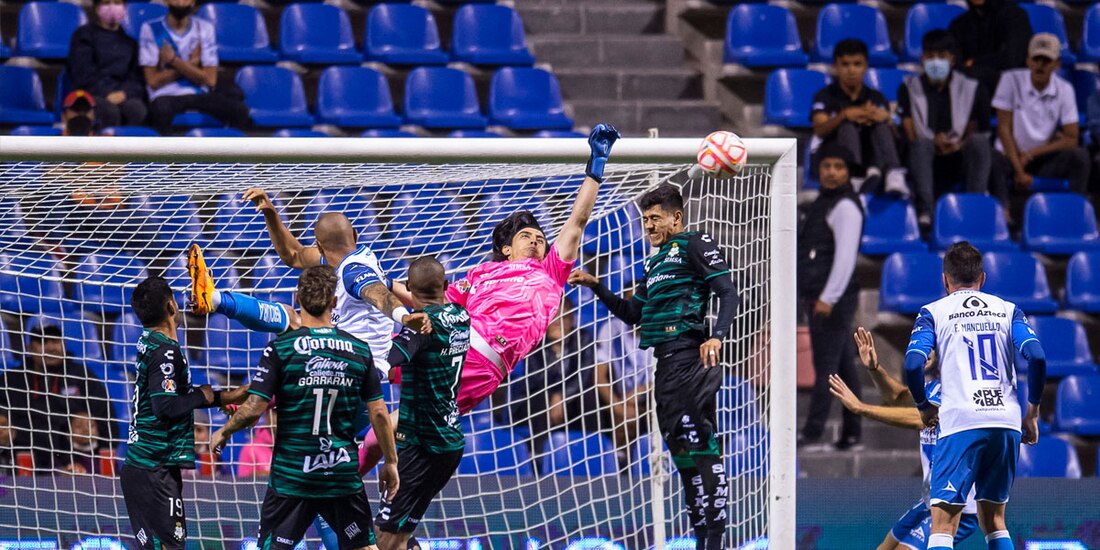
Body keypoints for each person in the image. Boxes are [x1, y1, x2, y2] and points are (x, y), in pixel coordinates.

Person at [353, 123, 620, 475]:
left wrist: (596, 166)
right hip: (447, 341)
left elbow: (578, 220)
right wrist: (383, 281)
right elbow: (430, 299)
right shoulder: (481, 275)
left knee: (383, 433)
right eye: (527, 236)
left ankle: (347, 480)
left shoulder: (551, 271)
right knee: (357, 366)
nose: (536, 241)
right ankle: (336, 465)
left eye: (540, 237)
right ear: (506, 249)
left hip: (483, 367)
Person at [568, 183, 740, 550]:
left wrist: (717, 335)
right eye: (645, 219)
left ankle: (716, 542)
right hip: (664, 366)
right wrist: (597, 286)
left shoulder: (695, 243)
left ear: (676, 218)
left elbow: (727, 291)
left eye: (655, 218)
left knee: (702, 447)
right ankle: (700, 540)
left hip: (692, 358)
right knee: (682, 456)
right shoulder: (655, 262)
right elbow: (633, 314)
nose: (648, 226)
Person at [210, 265, 399, 550]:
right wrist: (391, 462)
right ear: (334, 302)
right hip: (340, 476)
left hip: (292, 478)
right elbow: (380, 414)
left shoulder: (281, 349)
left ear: (297, 298)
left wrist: (224, 432)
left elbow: (252, 408)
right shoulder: (360, 350)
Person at [903, 242, 1047, 550]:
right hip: (1005, 420)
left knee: (943, 525)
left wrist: (923, 406)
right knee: (994, 521)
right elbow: (1037, 357)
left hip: (960, 422)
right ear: (982, 279)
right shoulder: (1009, 311)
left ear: (945, 280)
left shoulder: (934, 312)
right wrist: (1031, 412)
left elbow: (913, 363)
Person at [120, 276, 249, 549]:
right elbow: (165, 407)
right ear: (171, 306)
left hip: (144, 467)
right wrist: (202, 395)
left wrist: (223, 396)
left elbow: (174, 397)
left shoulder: (150, 342)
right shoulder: (165, 352)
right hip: (154, 469)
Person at [829, 328, 980, 550]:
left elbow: (922, 419)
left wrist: (861, 408)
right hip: (931, 499)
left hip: (957, 505)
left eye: (930, 346)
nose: (923, 351)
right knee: (885, 548)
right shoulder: (932, 386)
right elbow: (897, 397)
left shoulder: (958, 388)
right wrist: (874, 367)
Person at [374, 257, 470, 550]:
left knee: (384, 537)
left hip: (421, 445)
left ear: (410, 288)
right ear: (445, 286)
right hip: (450, 441)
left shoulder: (421, 328)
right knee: (402, 535)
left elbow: (390, 361)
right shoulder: (462, 315)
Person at [796, 144, 865, 452]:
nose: (832, 172)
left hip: (831, 302)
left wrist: (829, 297)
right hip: (821, 298)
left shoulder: (846, 206)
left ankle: (812, 433)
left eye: (839, 166)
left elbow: (845, 258)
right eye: (827, 166)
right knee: (843, 366)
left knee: (825, 367)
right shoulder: (823, 202)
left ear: (848, 171)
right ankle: (852, 433)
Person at [898, 30, 993, 228]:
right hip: (925, 157)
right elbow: (910, 132)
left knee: (979, 143)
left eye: (941, 56)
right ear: (922, 58)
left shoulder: (972, 88)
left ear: (952, 59)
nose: (935, 62)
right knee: (921, 145)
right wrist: (933, 142)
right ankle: (927, 211)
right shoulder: (908, 88)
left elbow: (975, 129)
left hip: (959, 157)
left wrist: (958, 145)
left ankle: (974, 208)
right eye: (930, 56)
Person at [992, 33, 1090, 210]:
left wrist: (1031, 154)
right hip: (1010, 156)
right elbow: (1004, 129)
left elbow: (1071, 138)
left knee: (1080, 156)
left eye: (1046, 60)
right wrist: (1020, 171)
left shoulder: (1065, 89)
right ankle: (1002, 211)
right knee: (991, 157)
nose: (1040, 65)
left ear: (1057, 64)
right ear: (1028, 60)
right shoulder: (1009, 79)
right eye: (1036, 59)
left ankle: (1077, 210)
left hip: (1041, 158)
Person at [0, 323, 117, 470]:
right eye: (43, 342)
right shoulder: (11, 379)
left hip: (76, 459)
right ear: (29, 348)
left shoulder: (82, 375)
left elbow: (106, 419)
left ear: (64, 345)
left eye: (55, 342)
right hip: (21, 457)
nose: (50, 348)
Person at [811, 39, 907, 196]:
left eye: (857, 64)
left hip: (872, 155)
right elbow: (819, 129)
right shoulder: (824, 96)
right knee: (847, 126)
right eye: (845, 64)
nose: (851, 70)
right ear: (836, 66)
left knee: (881, 125)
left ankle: (893, 174)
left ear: (866, 66)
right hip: (836, 157)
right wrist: (844, 115)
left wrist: (889, 117)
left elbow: (897, 129)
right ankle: (854, 176)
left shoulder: (876, 97)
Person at [138, 0, 249, 135]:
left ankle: (225, 153)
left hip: (198, 93)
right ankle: (168, 155)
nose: (180, 3)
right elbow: (153, 81)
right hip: (165, 95)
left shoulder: (204, 28)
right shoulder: (150, 28)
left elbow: (210, 80)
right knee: (161, 110)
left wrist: (174, 61)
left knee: (239, 110)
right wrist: (191, 65)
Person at [66, 0, 147, 128]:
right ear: (97, 8)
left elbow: (136, 77)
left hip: (122, 94)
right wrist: (107, 92)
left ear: (124, 8)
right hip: (92, 92)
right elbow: (82, 72)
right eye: (106, 2)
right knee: (109, 112)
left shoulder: (130, 43)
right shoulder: (83, 36)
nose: (112, 7)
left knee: (137, 110)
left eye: (117, 2)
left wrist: (125, 93)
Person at [948, 0, 1033, 96]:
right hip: (971, 93)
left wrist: (974, 62)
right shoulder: (958, 25)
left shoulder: (1015, 16)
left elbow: (1013, 59)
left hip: (1010, 92)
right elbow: (955, 64)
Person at [237, 409, 275, 478]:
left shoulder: (297, 445)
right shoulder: (250, 448)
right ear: (267, 416)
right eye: (276, 412)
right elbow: (243, 484)